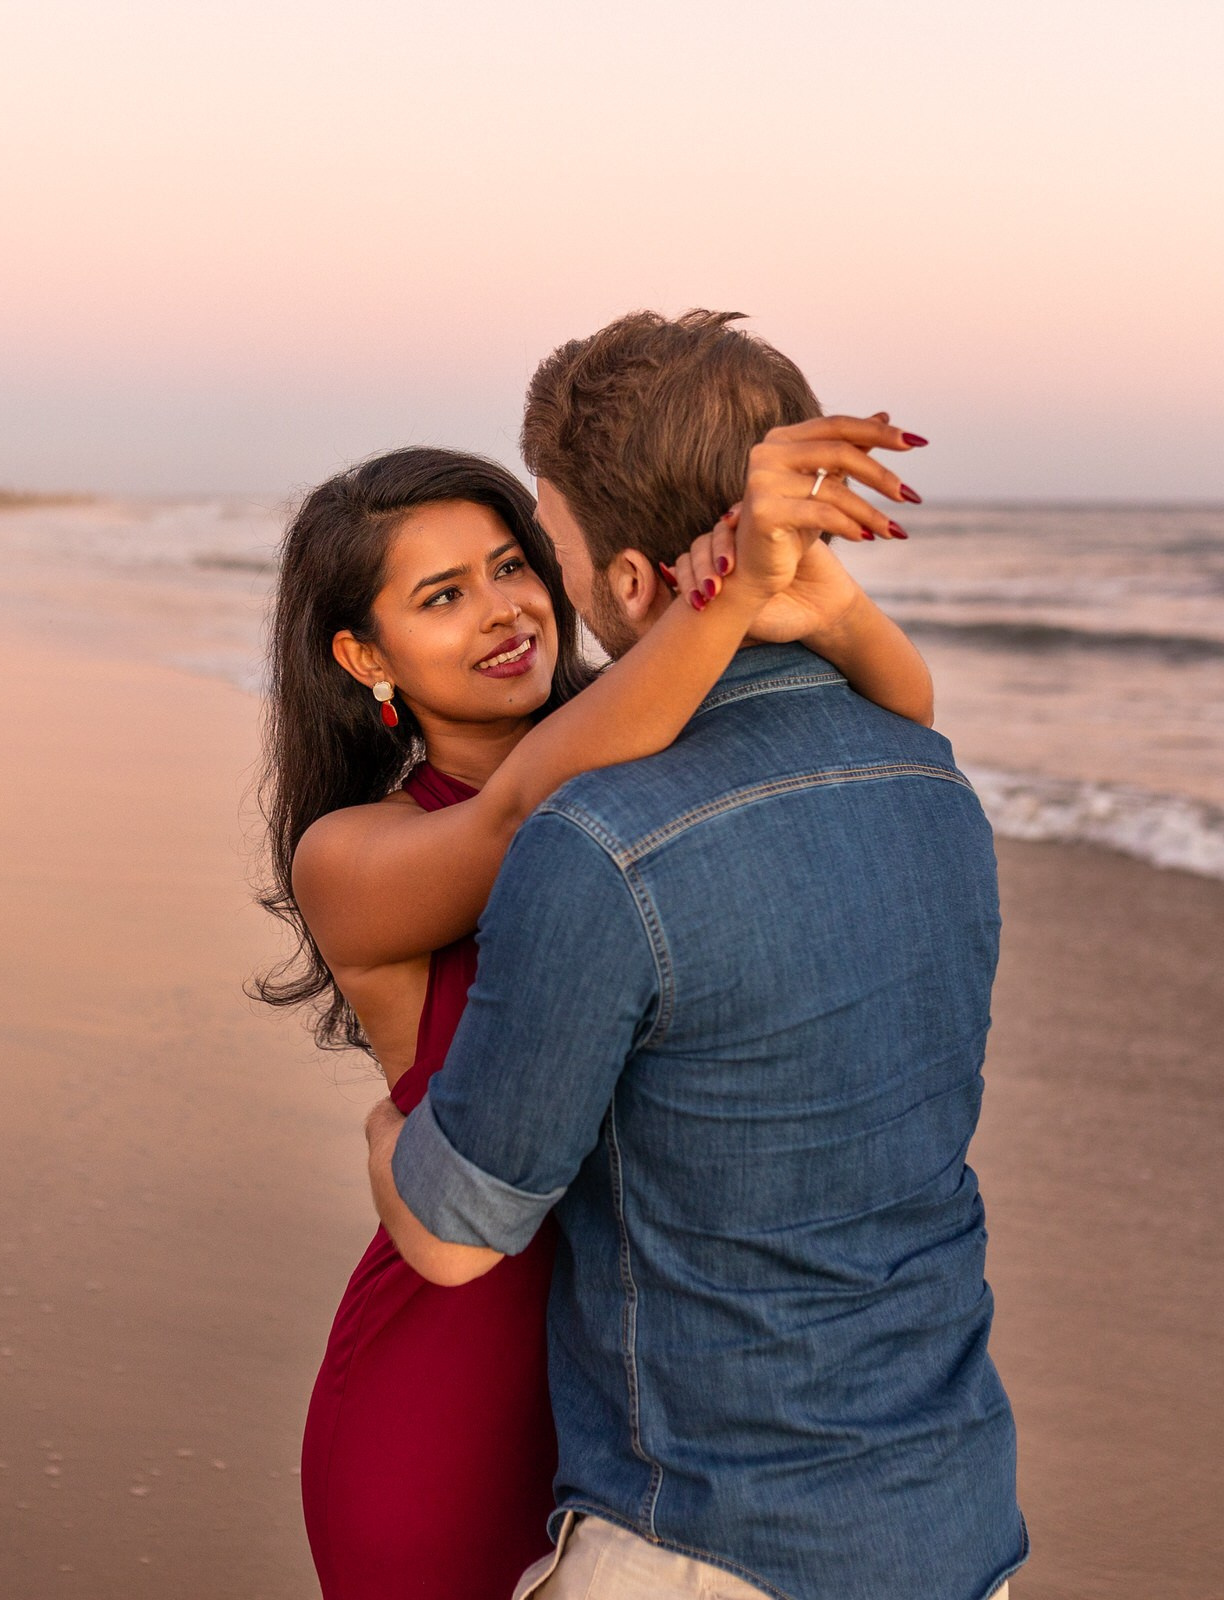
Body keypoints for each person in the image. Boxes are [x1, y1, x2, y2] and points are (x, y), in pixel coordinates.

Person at [257, 319, 932, 1600]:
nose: (504, 611)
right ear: (363, 656)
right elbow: (515, 818)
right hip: (452, 1362)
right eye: (439, 597)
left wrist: (830, 603)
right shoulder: (354, 851)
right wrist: (727, 591)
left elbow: (903, 732)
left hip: (639, 1362)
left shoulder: (638, 748)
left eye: (512, 566)